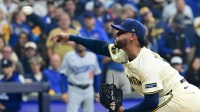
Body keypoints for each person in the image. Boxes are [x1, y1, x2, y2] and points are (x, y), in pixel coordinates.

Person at [51, 18, 200, 112]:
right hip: (178, 98)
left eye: (120, 32)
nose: (116, 34)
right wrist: (70, 37)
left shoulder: (146, 63)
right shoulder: (125, 52)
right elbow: (101, 46)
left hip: (181, 98)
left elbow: (151, 103)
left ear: (132, 36)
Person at [59, 44, 101, 112]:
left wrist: (98, 91)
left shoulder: (92, 56)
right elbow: (63, 75)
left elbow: (96, 75)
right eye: (78, 42)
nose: (80, 45)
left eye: (81, 42)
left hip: (89, 89)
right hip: (74, 89)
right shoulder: (69, 56)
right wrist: (63, 92)